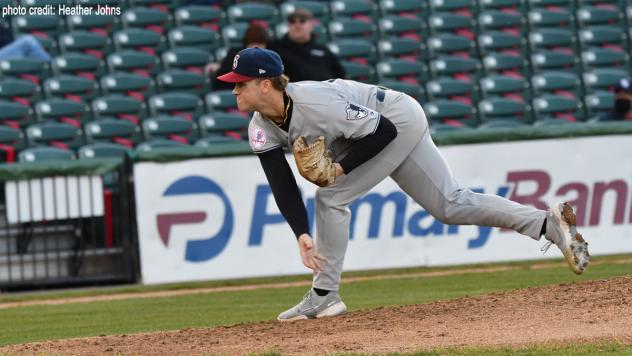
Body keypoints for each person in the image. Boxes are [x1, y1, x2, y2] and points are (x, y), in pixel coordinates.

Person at [217, 48, 590, 321]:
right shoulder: (259, 126)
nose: (234, 91)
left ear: (265, 85)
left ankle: (325, 295)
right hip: (368, 131)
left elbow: (383, 130)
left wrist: (342, 170)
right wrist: (301, 232)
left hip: (395, 118)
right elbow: (280, 182)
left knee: (330, 196)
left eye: (241, 84)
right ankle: (547, 223)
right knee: (450, 204)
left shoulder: (317, 103)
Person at [269, 8, 346, 82]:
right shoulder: (276, 49)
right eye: (292, 21)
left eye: (302, 21)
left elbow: (341, 76)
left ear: (311, 25)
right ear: (288, 25)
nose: (297, 25)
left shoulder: (323, 51)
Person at [208, 24, 271, 91]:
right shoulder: (235, 55)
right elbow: (223, 78)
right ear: (246, 44)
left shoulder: (270, 59)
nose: (257, 48)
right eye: (253, 44)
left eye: (260, 44)